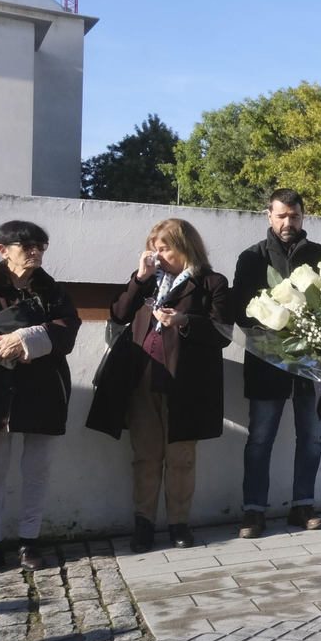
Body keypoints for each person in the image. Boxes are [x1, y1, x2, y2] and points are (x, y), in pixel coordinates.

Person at [87, 219, 235, 553]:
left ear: (186, 247)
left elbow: (223, 334)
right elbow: (119, 313)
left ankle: (179, 523)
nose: (158, 254)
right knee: (146, 456)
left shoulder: (212, 282)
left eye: (164, 247)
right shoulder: (148, 281)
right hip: (142, 378)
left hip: (187, 384)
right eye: (155, 246)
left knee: (181, 456)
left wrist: (183, 321)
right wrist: (139, 278)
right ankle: (144, 524)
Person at [0, 220, 81, 576]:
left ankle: (29, 542)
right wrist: (4, 347)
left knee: (37, 470)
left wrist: (28, 338)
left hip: (44, 388)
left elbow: (67, 330)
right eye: (28, 246)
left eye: (41, 245)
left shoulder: (53, 291)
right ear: (2, 250)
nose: (36, 251)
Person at [230, 189, 321, 539]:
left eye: (294, 216)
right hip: (266, 365)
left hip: (312, 367)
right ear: (269, 216)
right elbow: (240, 312)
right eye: (281, 216)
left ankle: (303, 505)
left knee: (312, 438)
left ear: (303, 217)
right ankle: (253, 511)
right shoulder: (251, 258)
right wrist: (280, 325)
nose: (288, 222)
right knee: (260, 439)